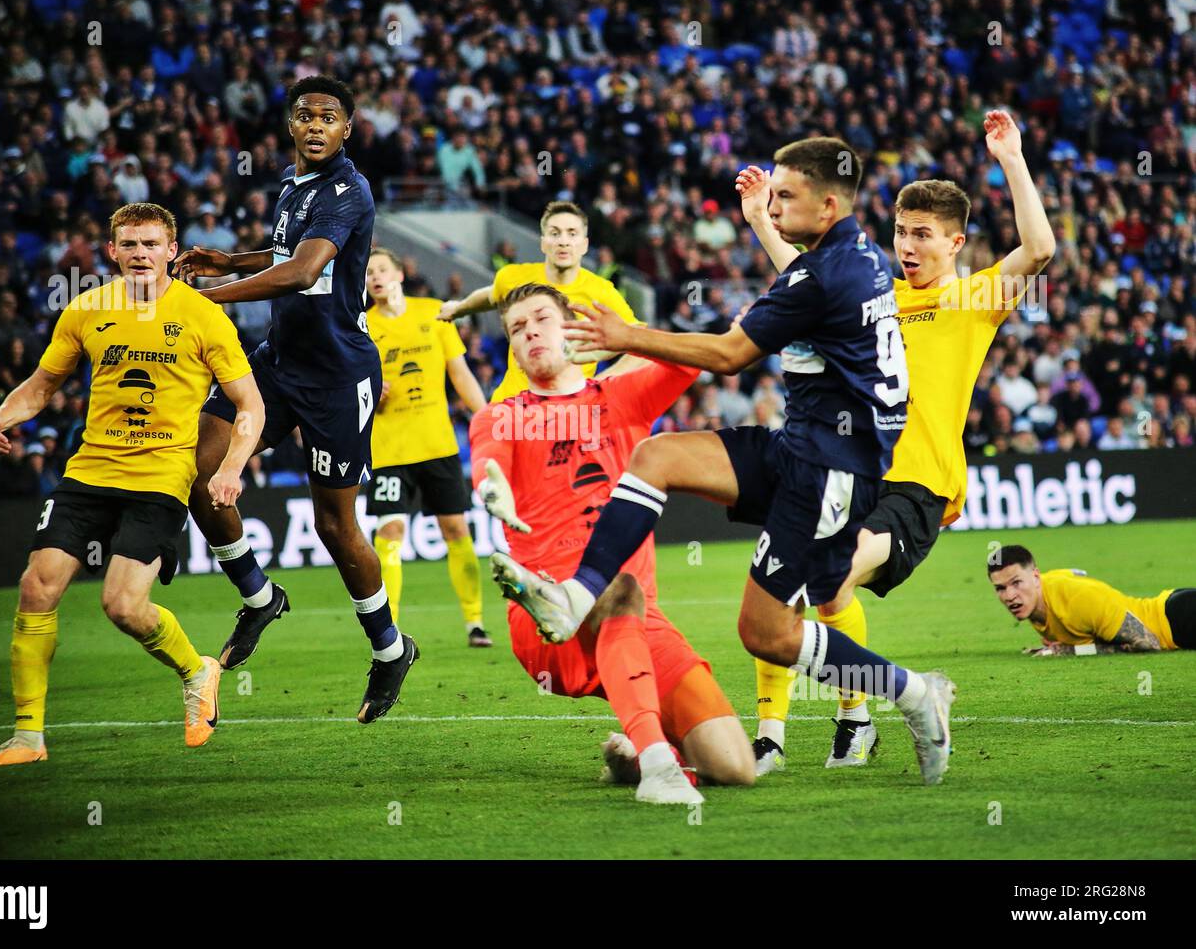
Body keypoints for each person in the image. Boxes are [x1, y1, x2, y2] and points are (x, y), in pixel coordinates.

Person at [491, 138, 957, 785]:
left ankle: (911, 692)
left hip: (830, 473)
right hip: (800, 448)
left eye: (786, 194)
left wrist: (627, 337)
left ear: (826, 205)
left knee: (766, 634)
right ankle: (576, 596)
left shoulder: (819, 275)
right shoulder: (857, 256)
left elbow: (730, 354)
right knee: (654, 457)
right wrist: (764, 223)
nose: (773, 198)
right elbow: (802, 280)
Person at [745, 109, 1055, 774]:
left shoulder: (971, 300)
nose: (907, 246)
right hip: (851, 473)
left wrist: (1012, 159)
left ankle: (805, 730)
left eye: (922, 235)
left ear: (956, 243)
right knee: (811, 589)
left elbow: (1039, 252)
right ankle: (832, 727)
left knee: (814, 577)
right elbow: (808, 285)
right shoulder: (878, 295)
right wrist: (763, 223)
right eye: (899, 231)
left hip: (918, 486)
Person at [0, 202, 264, 768]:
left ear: (172, 252)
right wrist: (3, 415)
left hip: (161, 476)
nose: (140, 255)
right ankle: (27, 737)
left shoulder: (204, 316)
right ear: (112, 252)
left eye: (152, 245)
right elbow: (42, 384)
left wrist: (229, 468)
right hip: (89, 471)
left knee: (123, 606)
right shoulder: (86, 310)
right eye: (129, 245)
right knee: (37, 588)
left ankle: (197, 669)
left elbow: (250, 404)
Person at [174, 76, 417, 723]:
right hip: (280, 365)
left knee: (333, 526)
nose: (315, 125)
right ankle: (258, 597)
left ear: (347, 129)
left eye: (328, 117)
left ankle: (390, 649)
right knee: (199, 466)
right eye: (304, 115)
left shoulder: (349, 189)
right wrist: (231, 262)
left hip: (340, 379)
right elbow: (289, 251)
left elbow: (307, 271)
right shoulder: (293, 183)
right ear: (290, 126)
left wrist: (210, 297)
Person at [472, 283, 755, 804]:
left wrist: (630, 338)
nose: (530, 331)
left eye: (540, 319)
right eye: (517, 328)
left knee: (735, 767)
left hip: (639, 619)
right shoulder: (500, 416)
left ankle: (631, 754)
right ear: (512, 349)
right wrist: (495, 493)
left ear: (574, 329)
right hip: (548, 611)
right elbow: (490, 470)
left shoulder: (622, 398)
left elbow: (694, 361)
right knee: (618, 584)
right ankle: (657, 768)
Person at [364, 248, 490, 646]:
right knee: (391, 531)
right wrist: (366, 390)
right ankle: (390, 633)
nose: (376, 278)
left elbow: (461, 374)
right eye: (368, 275)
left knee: (455, 529)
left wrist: (488, 418)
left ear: (400, 274)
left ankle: (474, 622)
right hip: (388, 448)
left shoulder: (434, 313)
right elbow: (344, 389)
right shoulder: (361, 326)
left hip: (437, 444)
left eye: (383, 270)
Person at [437, 200, 646, 401]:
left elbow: (643, 342)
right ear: (544, 243)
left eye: (572, 234)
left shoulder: (601, 292)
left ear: (584, 245)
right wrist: (459, 309)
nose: (563, 241)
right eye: (555, 233)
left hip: (566, 413)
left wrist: (602, 383)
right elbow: (491, 296)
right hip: (511, 409)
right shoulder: (514, 278)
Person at [988, 545, 1195, 653]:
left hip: (1178, 619)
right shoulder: (1040, 593)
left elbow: (1149, 643)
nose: (1010, 596)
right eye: (1000, 588)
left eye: (1016, 583)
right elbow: (1077, 572)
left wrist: (1072, 651)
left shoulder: (1077, 600)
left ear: (1035, 577)